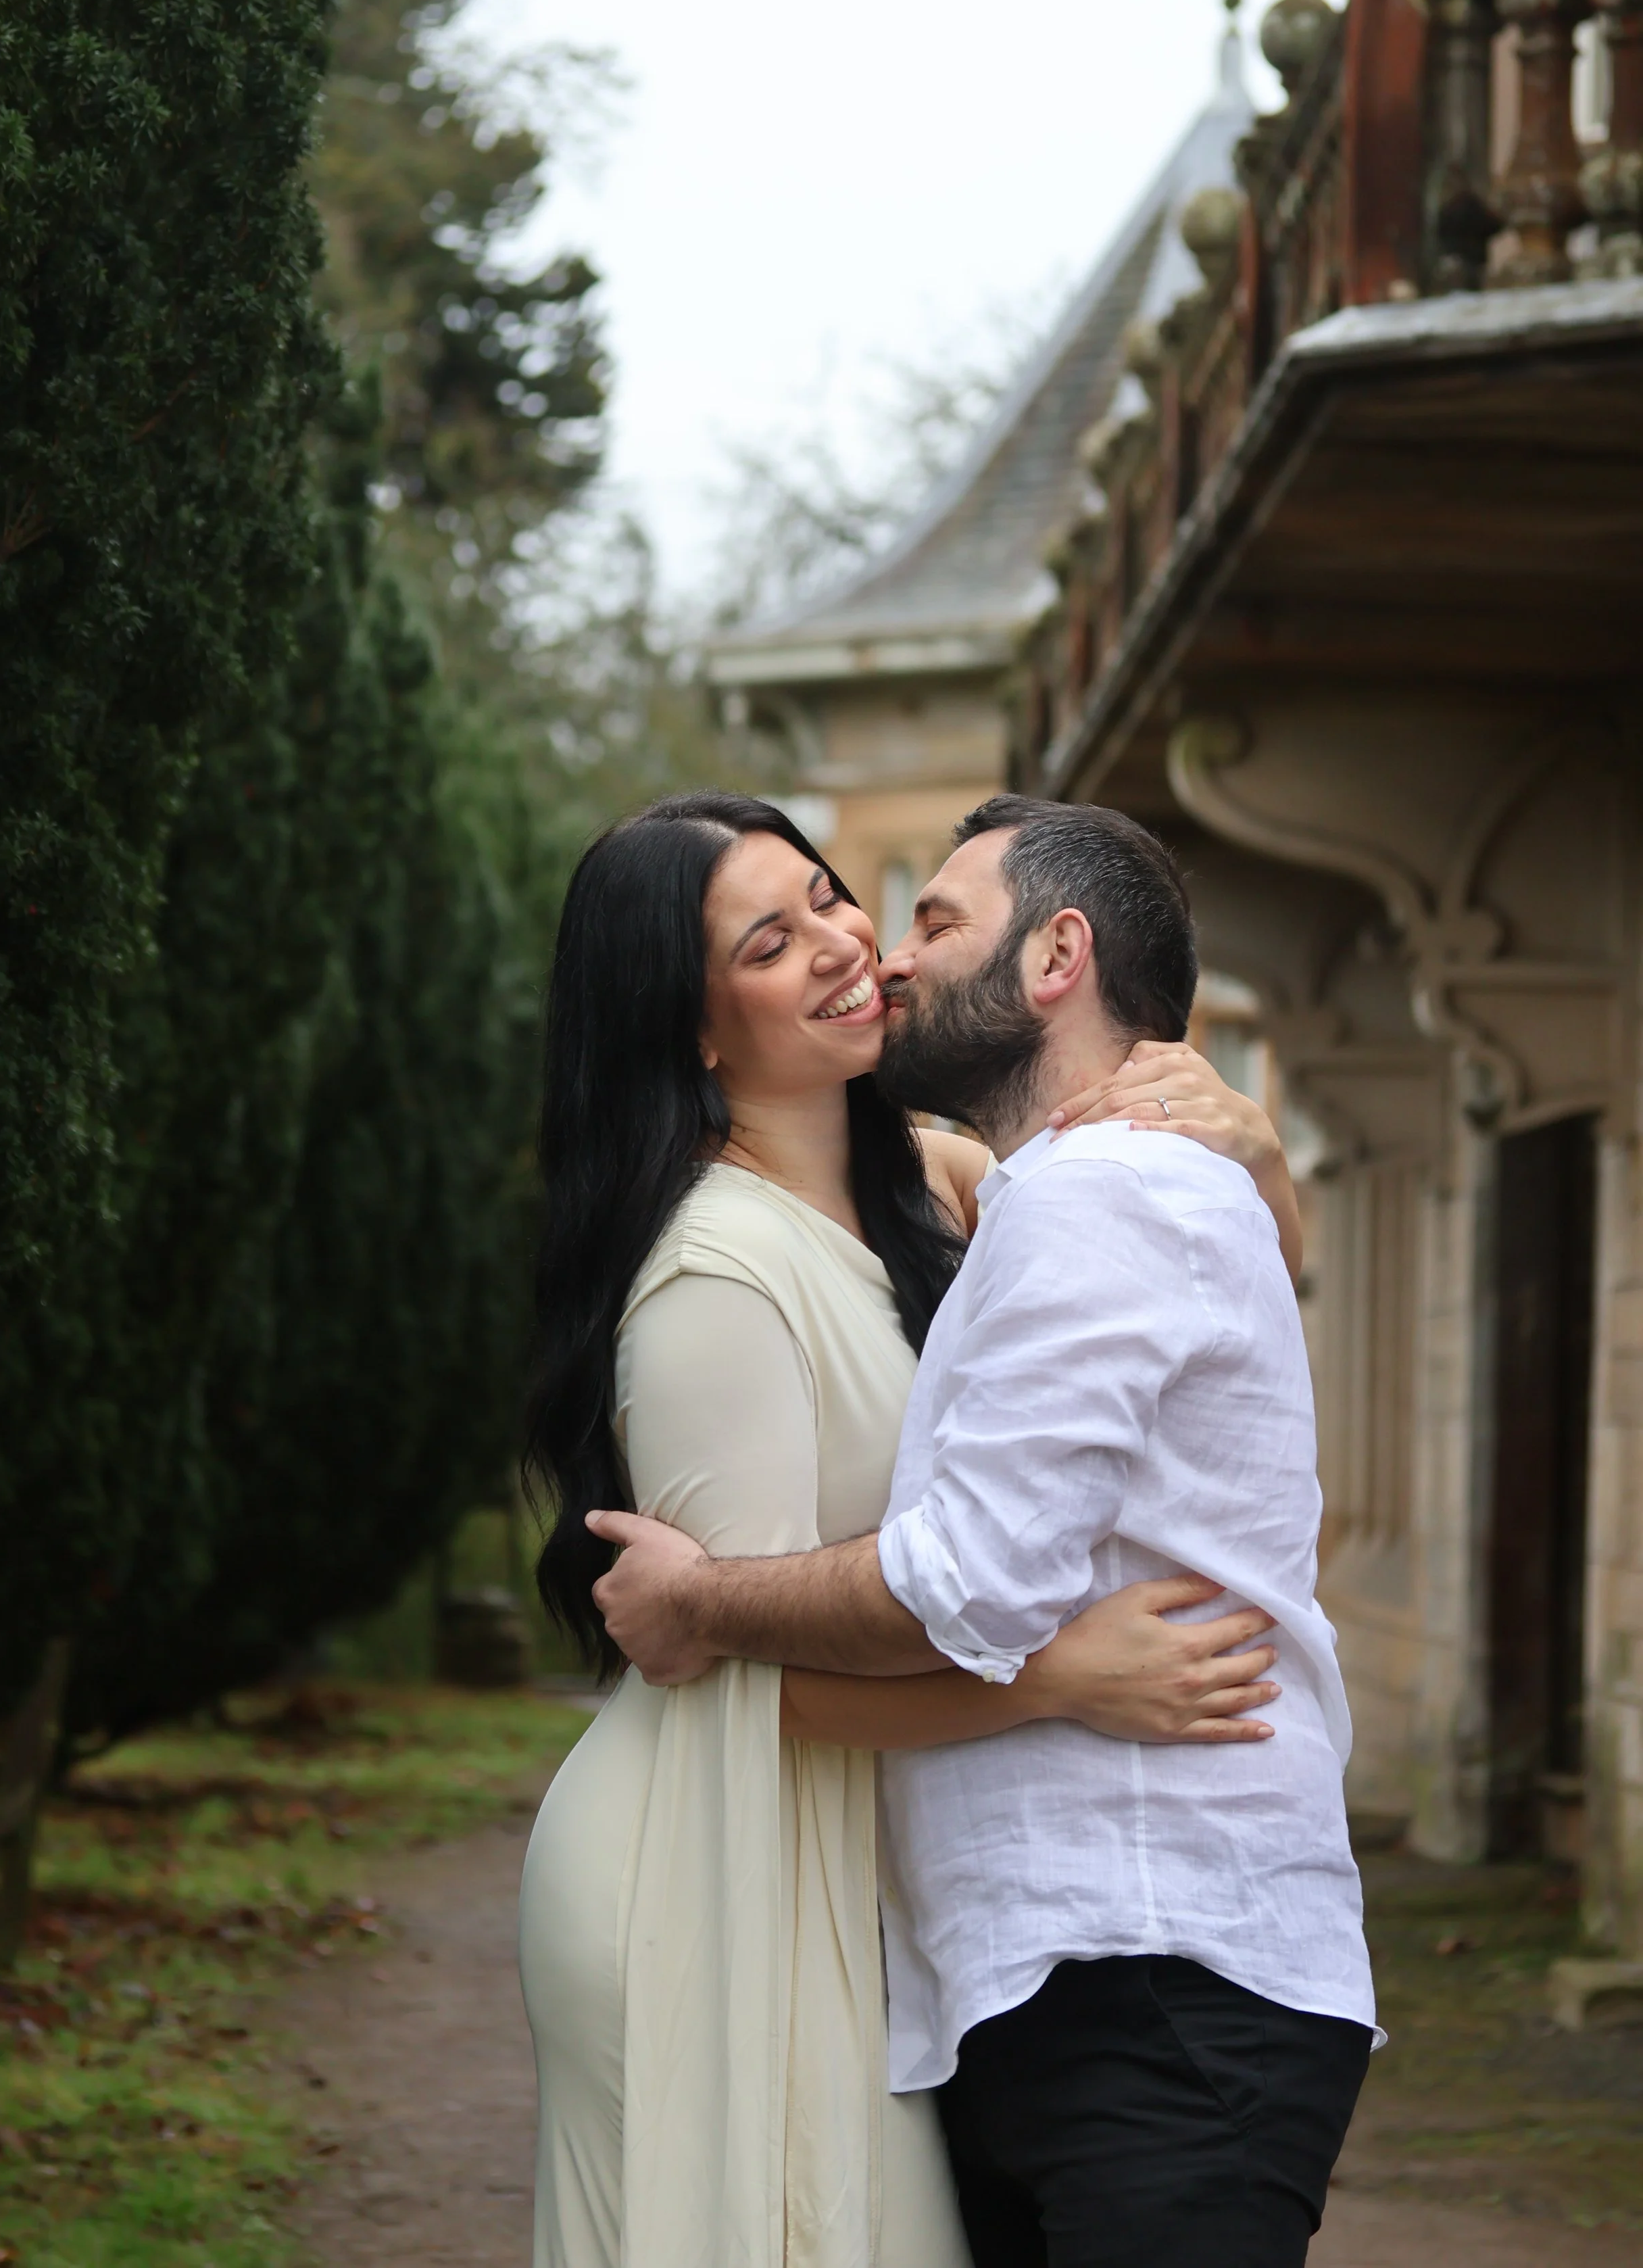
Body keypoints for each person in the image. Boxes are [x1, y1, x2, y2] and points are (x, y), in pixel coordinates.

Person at [590, 794, 1377, 2268]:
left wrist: (700, 1603)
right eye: (780, 935)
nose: (875, 952)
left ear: (1056, 957)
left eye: (917, 917)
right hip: (1027, 1970)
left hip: (1141, 1954)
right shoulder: (985, 1199)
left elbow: (966, 1582)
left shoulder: (1080, 1199)